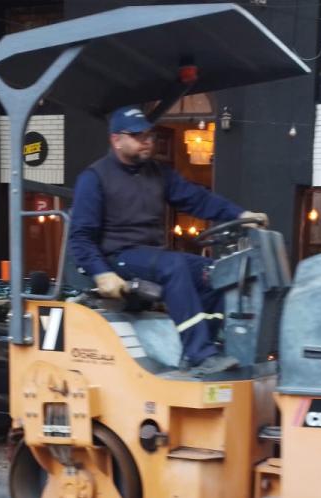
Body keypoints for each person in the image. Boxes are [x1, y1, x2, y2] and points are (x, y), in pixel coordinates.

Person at [68, 105, 268, 375]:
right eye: (138, 136)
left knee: (216, 273)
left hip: (152, 256)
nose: (147, 141)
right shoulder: (94, 179)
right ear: (116, 139)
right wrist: (101, 273)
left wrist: (241, 214)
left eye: (148, 135)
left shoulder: (159, 173)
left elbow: (198, 199)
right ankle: (199, 354)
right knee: (173, 266)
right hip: (118, 257)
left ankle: (204, 348)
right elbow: (80, 238)